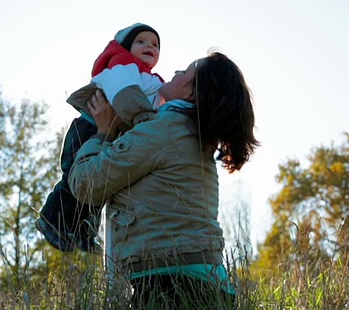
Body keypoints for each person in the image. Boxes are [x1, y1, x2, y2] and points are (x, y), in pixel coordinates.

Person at [68, 51, 259, 308]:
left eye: (185, 72)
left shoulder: (165, 127)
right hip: (203, 282)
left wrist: (102, 132)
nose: (176, 72)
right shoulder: (192, 133)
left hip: (171, 285)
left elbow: (86, 184)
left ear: (191, 94)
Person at [36, 23, 165, 254]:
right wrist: (145, 121)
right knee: (74, 182)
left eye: (155, 45)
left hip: (107, 132)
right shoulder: (122, 64)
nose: (150, 46)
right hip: (89, 128)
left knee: (100, 186)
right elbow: (125, 91)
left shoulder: (149, 77)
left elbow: (160, 99)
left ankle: (83, 233)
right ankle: (52, 221)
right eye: (141, 42)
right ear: (126, 46)